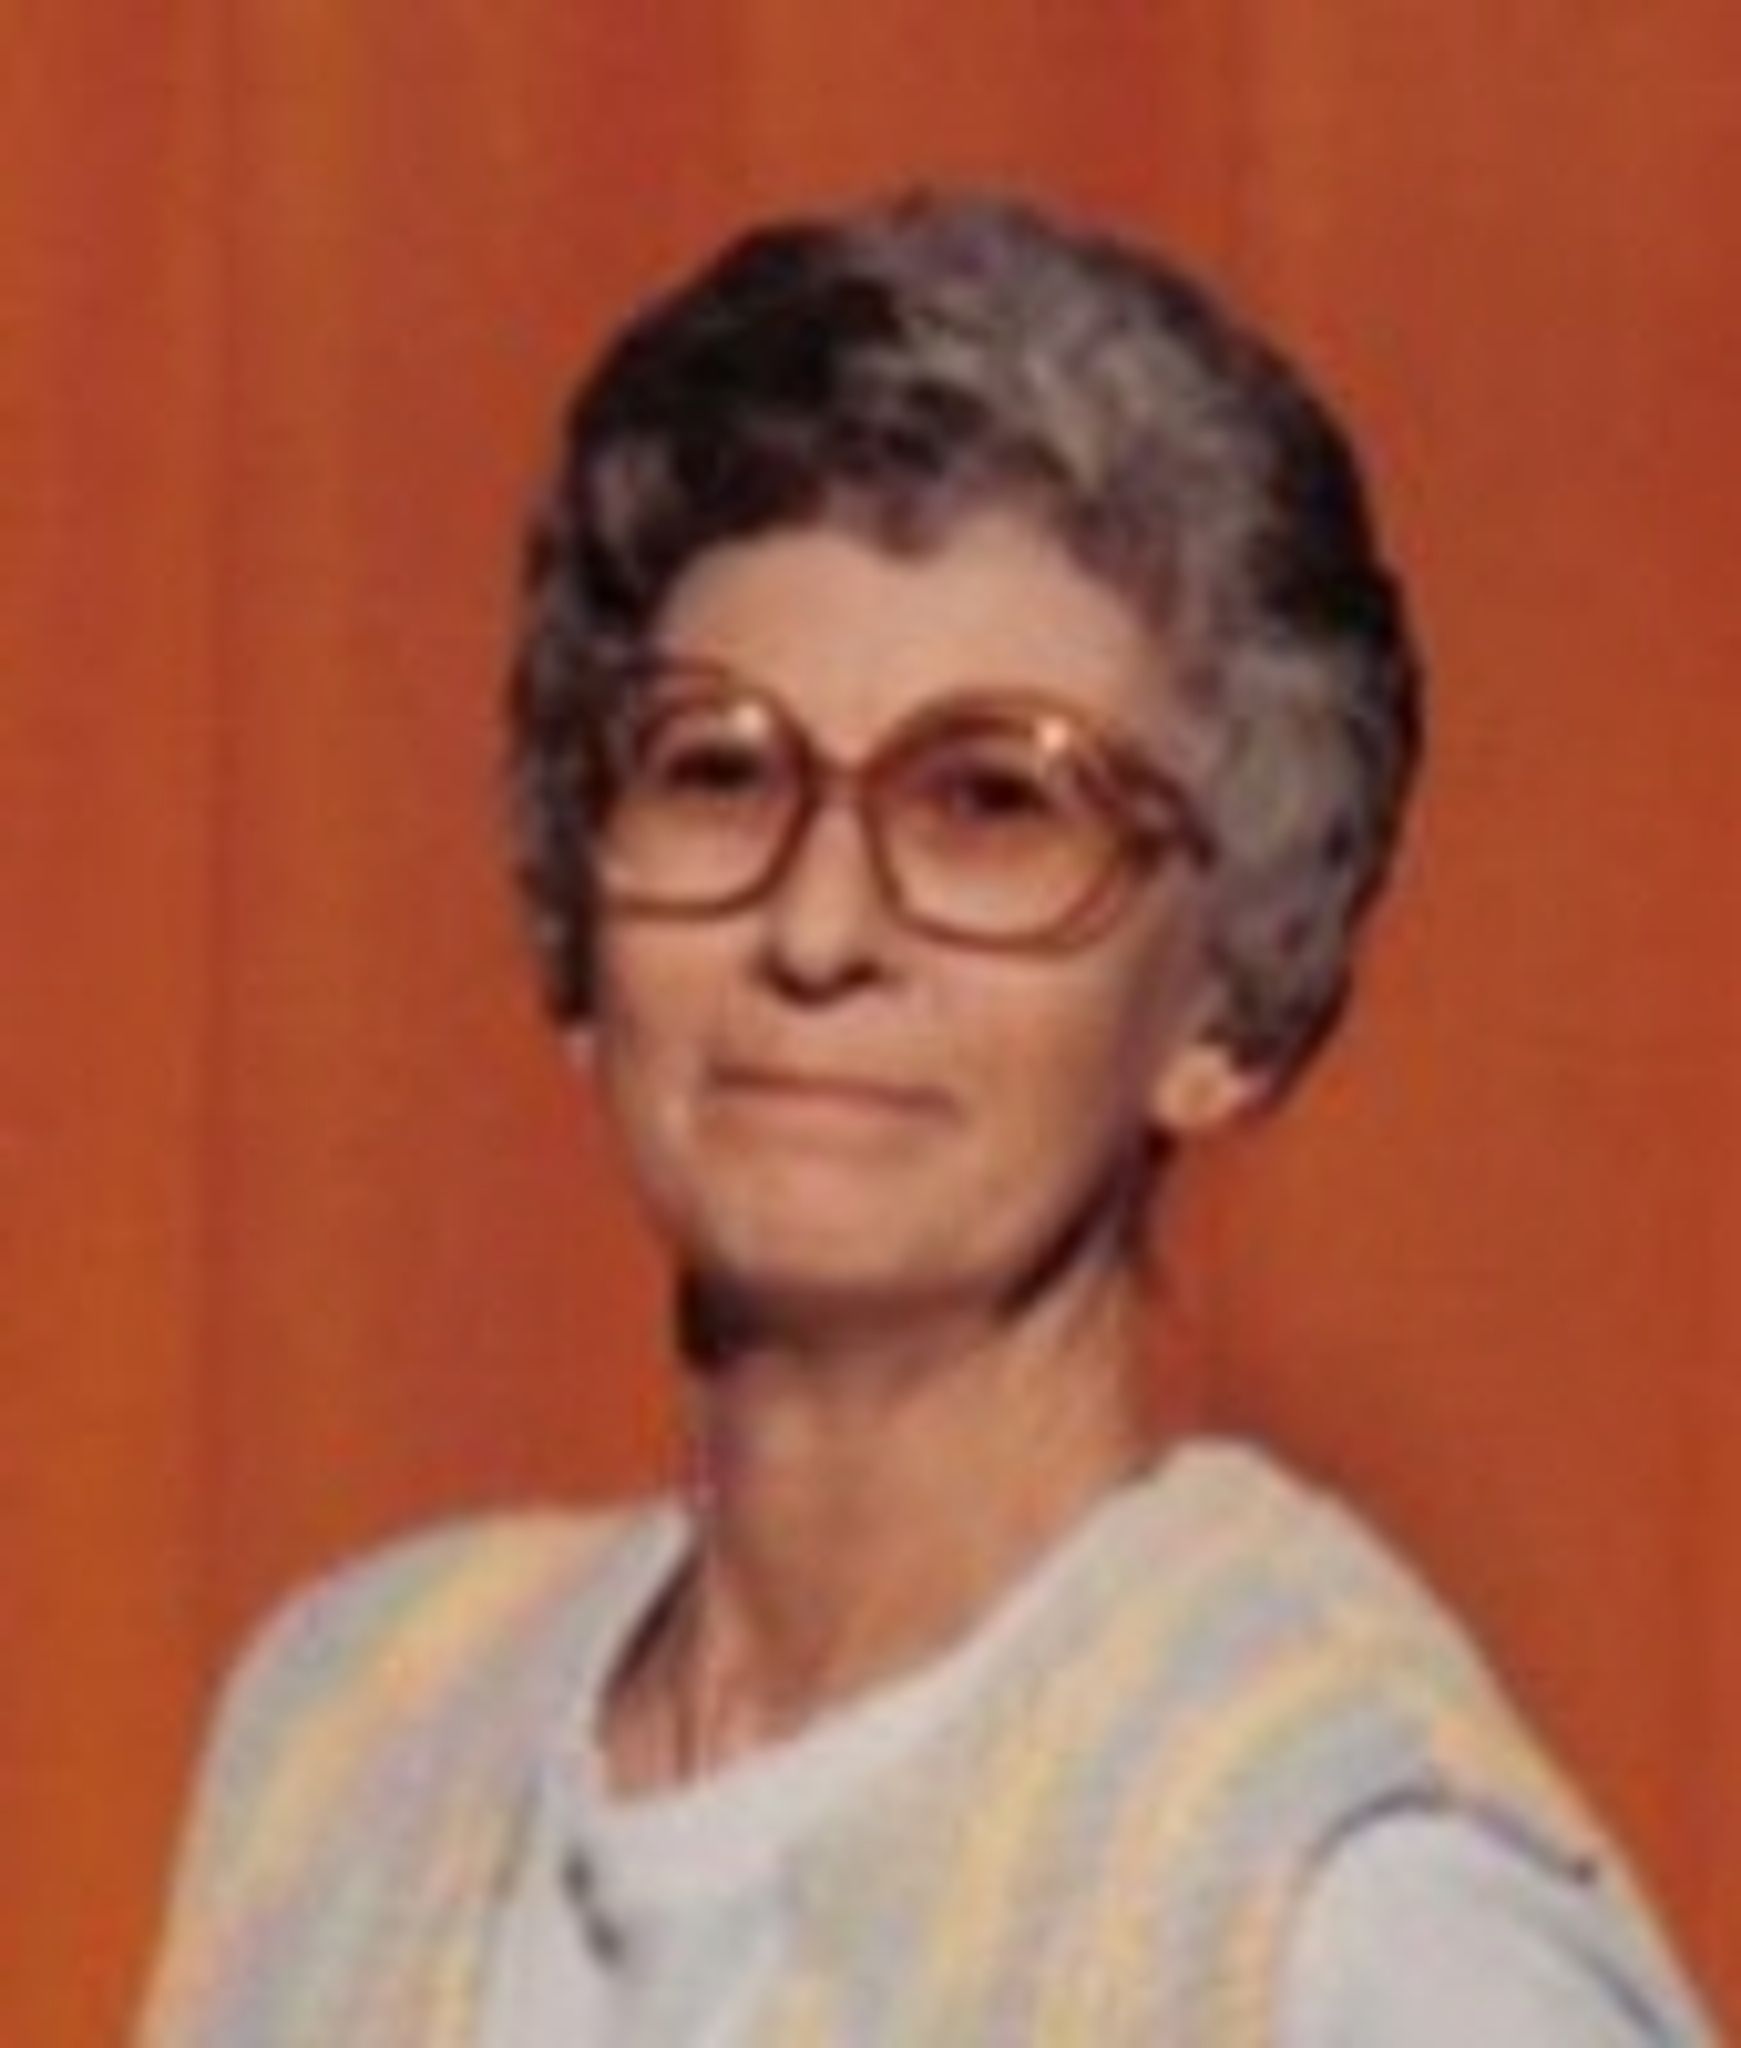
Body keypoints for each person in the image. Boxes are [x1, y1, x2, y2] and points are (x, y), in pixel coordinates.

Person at [141, 191, 1715, 2044]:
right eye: (717, 772)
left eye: (992, 806)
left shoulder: (1343, 1914)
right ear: (581, 912)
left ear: (1226, 1000)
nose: (818, 930)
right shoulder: (345, 1737)